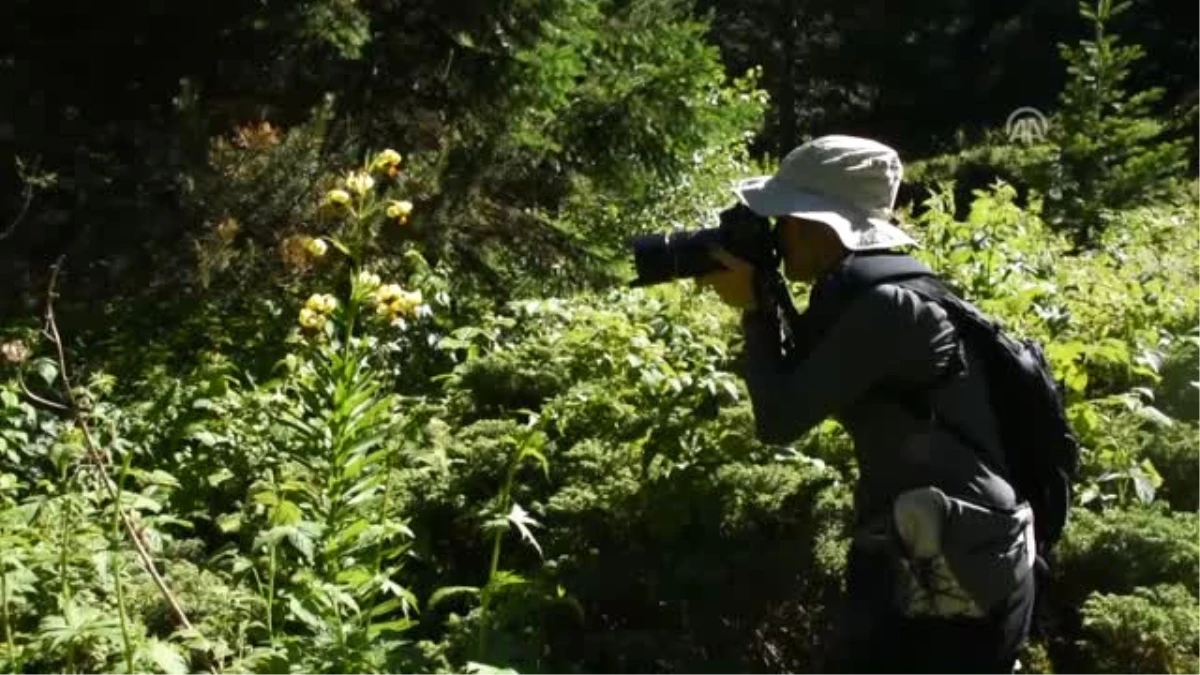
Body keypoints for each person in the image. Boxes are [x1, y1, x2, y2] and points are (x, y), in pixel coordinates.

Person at [698, 135, 1037, 674]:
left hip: (955, 560)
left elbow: (781, 417)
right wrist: (761, 294)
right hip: (931, 541)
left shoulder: (887, 308)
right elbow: (800, 381)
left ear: (821, 222)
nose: (777, 236)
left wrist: (754, 312)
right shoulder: (857, 292)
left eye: (784, 219)